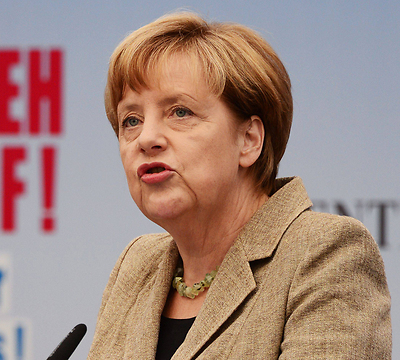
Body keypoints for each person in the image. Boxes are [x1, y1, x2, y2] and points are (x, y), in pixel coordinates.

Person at [87, 12, 391, 359]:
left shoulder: (323, 252)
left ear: (248, 140)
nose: (147, 138)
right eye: (131, 120)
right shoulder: (137, 264)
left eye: (180, 112)